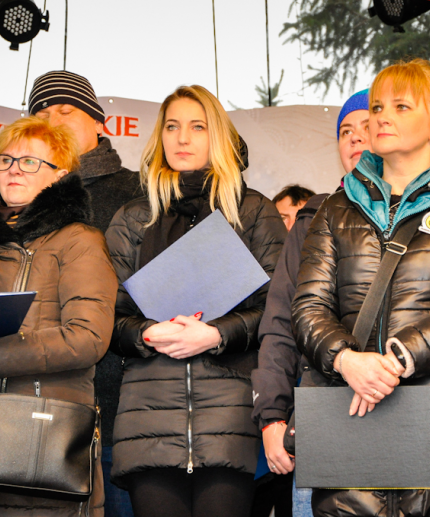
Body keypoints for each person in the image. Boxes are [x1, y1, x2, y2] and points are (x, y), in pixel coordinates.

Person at [291, 59, 430, 516]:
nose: (381, 117)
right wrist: (347, 359)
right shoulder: (337, 207)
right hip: (354, 415)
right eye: (377, 106)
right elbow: (308, 307)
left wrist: (400, 357)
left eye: (400, 105)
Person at [105, 85, 286, 517]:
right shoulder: (134, 217)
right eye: (172, 126)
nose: (182, 138)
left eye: (197, 126)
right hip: (147, 417)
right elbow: (108, 316)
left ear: (217, 136)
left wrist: (215, 334)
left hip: (232, 416)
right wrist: (146, 332)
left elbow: (279, 310)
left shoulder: (253, 212)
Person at [0, 117, 117, 517]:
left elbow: (88, 337)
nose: (13, 168)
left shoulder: (81, 240)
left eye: (30, 161)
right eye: (6, 159)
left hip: (43, 432)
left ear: (60, 175)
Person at [251, 89, 370, 517]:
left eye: (367, 127)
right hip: (321, 408)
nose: (355, 140)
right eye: (345, 132)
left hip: (407, 406)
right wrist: (271, 416)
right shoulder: (314, 216)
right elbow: (281, 320)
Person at [29, 70, 142, 517]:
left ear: (100, 122)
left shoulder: (140, 190)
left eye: (65, 110)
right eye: (40, 113)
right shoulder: (17, 196)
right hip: (35, 412)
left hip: (120, 410)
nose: (52, 121)